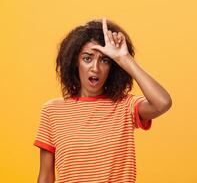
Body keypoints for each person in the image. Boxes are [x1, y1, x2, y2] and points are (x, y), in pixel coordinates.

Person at [33, 18, 172, 183]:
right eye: (87, 58)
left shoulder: (126, 105)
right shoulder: (52, 111)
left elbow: (162, 103)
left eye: (104, 60)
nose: (95, 68)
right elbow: (46, 177)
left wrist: (124, 58)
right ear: (75, 62)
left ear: (112, 67)